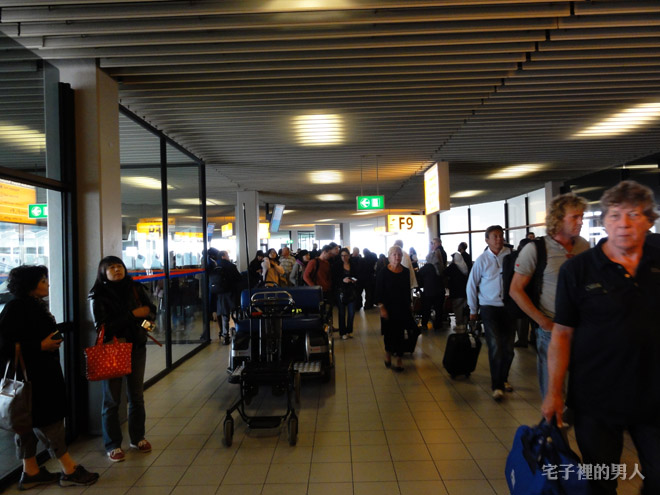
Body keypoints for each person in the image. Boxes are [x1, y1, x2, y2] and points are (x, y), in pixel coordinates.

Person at [542, 181, 660, 495]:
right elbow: (562, 334)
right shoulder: (579, 270)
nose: (624, 223)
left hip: (654, 397)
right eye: (615, 215)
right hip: (596, 398)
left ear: (649, 220)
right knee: (600, 482)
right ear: (604, 221)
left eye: (634, 215)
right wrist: (554, 392)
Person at [0, 266, 99, 490]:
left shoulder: (34, 304)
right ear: (30, 284)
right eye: (43, 281)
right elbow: (4, 345)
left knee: (26, 424)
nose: (48, 284)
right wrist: (39, 345)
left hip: (38, 375)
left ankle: (31, 472)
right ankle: (69, 470)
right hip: (34, 378)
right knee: (50, 422)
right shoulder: (16, 308)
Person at [510, 192, 589, 399]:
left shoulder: (584, 246)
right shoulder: (536, 249)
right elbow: (515, 289)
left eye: (582, 216)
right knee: (554, 393)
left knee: (583, 391)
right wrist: (543, 322)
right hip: (551, 330)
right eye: (575, 217)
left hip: (581, 329)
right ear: (558, 219)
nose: (580, 221)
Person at [89, 256, 157, 462]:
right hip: (113, 349)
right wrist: (133, 314)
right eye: (111, 267)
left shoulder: (135, 288)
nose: (117, 270)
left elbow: (150, 312)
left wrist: (147, 325)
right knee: (112, 399)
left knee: (136, 396)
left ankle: (138, 438)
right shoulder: (98, 295)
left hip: (137, 346)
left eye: (119, 266)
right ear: (103, 272)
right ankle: (113, 444)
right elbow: (103, 328)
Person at [466, 225, 514, 401]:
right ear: (487, 240)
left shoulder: (511, 256)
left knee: (508, 348)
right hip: (488, 306)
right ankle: (497, 385)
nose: (499, 239)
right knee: (495, 346)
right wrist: (473, 310)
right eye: (495, 236)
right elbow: (472, 285)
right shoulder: (482, 260)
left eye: (501, 236)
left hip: (508, 307)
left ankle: (504, 378)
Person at [376, 245, 415, 372]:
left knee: (400, 333)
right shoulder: (383, 272)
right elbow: (379, 291)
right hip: (388, 308)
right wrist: (382, 307)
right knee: (388, 333)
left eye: (399, 255)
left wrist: (410, 305)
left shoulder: (405, 272)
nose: (397, 257)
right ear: (389, 257)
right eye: (394, 255)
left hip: (402, 307)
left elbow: (407, 290)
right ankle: (388, 354)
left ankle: (399, 358)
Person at [212, 250, 242, 345]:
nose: (228, 257)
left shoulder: (215, 266)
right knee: (235, 312)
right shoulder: (231, 266)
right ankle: (238, 331)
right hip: (230, 292)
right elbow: (238, 278)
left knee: (224, 314)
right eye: (227, 255)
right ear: (223, 256)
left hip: (220, 294)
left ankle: (225, 335)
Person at [333, 248, 359, 340]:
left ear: (349, 256)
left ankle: (349, 331)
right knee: (342, 312)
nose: (344, 257)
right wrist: (342, 280)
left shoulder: (353, 264)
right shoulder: (337, 265)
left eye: (345, 255)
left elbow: (358, 276)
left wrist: (354, 280)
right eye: (342, 256)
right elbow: (334, 279)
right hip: (341, 291)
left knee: (351, 312)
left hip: (351, 291)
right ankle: (343, 332)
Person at [416, 254, 445, 330]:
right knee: (438, 309)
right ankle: (438, 325)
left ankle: (424, 324)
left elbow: (419, 276)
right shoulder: (439, 267)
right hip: (440, 292)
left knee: (426, 309)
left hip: (429, 292)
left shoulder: (426, 268)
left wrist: (420, 287)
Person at [445, 252, 469, 331]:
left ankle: (459, 324)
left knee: (457, 309)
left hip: (456, 292)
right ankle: (465, 324)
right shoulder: (464, 267)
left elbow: (444, 272)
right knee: (464, 308)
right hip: (464, 292)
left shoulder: (453, 266)